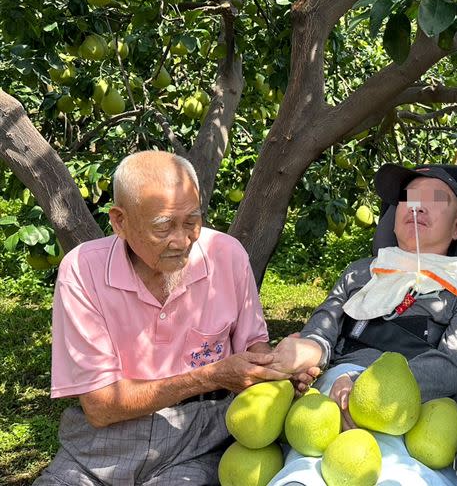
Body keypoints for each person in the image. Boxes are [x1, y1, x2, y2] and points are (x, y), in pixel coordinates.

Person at [34, 151, 312, 486]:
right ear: (119, 221)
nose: (181, 241)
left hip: (200, 438)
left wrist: (276, 369)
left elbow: (253, 343)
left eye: (192, 222)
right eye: (163, 226)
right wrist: (212, 375)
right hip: (99, 447)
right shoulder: (82, 270)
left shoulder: (228, 255)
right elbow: (101, 406)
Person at [267, 164, 457, 486]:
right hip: (333, 394)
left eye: (435, 200)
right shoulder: (360, 273)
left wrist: (367, 390)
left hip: (419, 406)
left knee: (394, 472)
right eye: (408, 199)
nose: (417, 206)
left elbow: (453, 366)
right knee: (303, 473)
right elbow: (322, 329)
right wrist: (308, 349)